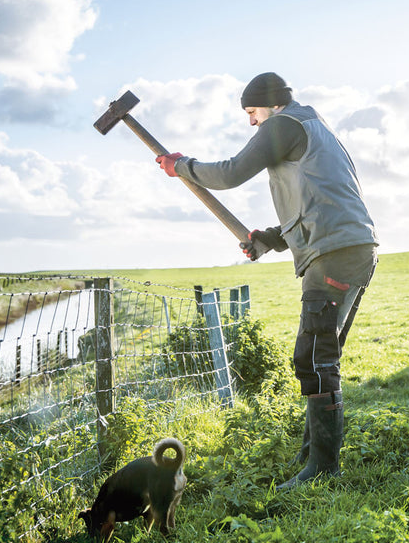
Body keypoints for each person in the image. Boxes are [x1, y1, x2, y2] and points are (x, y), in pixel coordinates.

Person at [156, 72, 378, 488]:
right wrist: (269, 239)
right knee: (319, 353)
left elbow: (232, 172)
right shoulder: (312, 126)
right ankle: (314, 452)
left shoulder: (284, 124)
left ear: (271, 105)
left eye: (252, 112)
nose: (251, 122)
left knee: (314, 356)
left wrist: (180, 167)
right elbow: (318, 200)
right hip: (347, 248)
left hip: (333, 253)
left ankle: (323, 469)